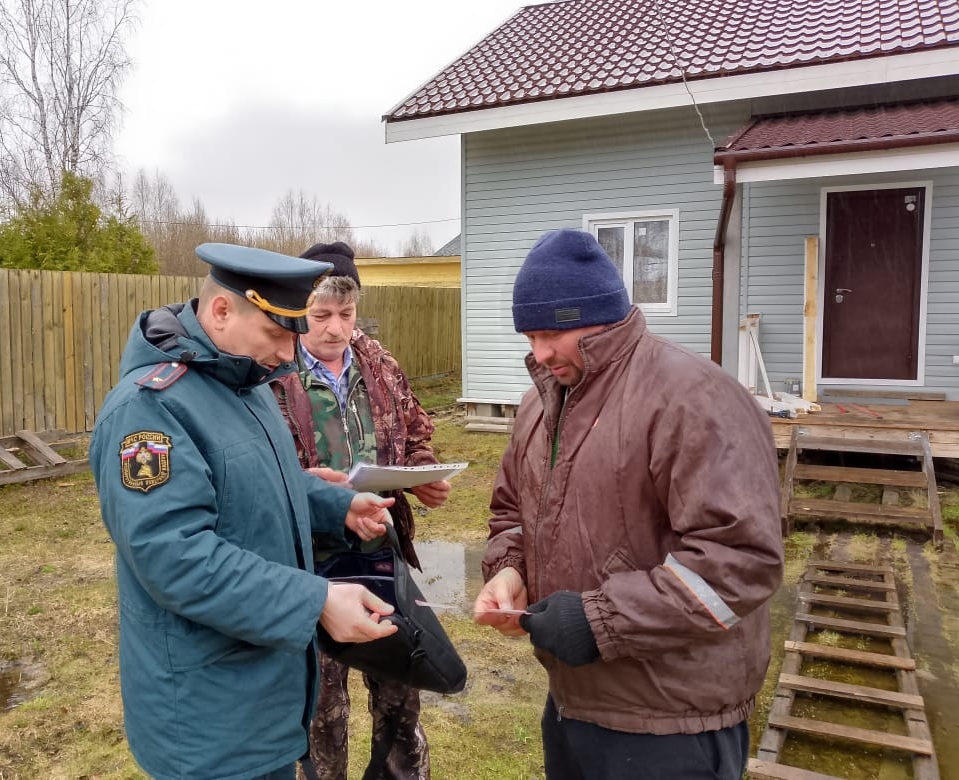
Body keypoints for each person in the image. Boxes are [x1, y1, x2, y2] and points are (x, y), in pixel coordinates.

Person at [472, 228, 784, 779]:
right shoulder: (538, 405)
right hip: (574, 705)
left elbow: (740, 564)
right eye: (529, 336)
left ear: (599, 317)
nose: (538, 354)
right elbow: (510, 513)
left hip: (672, 726)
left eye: (550, 334)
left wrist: (597, 619)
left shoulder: (694, 398)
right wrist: (509, 570)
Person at [89, 242, 402, 780]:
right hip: (206, 717)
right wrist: (317, 600)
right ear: (220, 312)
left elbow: (263, 481)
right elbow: (175, 557)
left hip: (261, 696)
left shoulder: (242, 380)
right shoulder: (151, 411)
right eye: (277, 335)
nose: (288, 354)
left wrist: (340, 504)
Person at [270, 240, 450, 780]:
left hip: (380, 555)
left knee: (399, 693)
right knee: (322, 712)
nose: (334, 328)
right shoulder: (273, 373)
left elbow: (416, 431)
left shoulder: (379, 361)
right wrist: (319, 495)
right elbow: (261, 474)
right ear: (301, 310)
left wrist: (424, 474)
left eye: (345, 315)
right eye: (320, 315)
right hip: (310, 564)